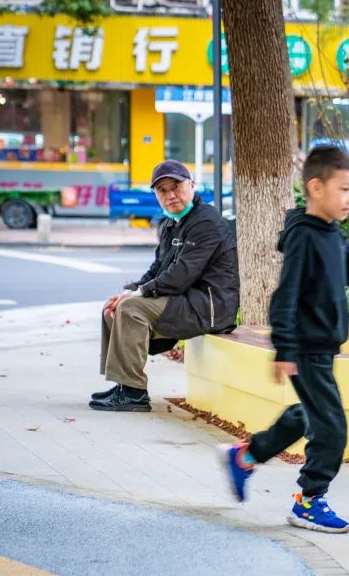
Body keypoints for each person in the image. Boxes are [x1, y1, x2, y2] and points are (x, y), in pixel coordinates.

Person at [219, 145, 349, 533]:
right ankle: (308, 499)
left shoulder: (330, 232)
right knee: (332, 427)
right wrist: (285, 348)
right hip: (305, 347)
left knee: (310, 415)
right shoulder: (305, 237)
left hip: (321, 347)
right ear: (316, 187)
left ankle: (246, 457)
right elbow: (285, 297)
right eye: (344, 189)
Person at [92, 160, 239, 412]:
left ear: (191, 185)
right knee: (113, 308)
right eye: (162, 190)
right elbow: (158, 268)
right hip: (186, 300)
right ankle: (123, 383)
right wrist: (129, 291)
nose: (170, 195)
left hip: (209, 306)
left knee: (131, 309)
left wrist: (138, 295)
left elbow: (181, 274)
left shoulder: (206, 222)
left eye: (176, 186)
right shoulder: (172, 224)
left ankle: (134, 393)